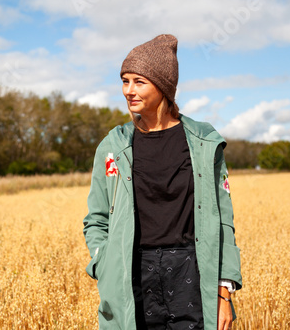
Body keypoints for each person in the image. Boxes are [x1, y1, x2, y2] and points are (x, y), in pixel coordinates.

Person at [83, 34, 242, 330]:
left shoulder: (204, 143)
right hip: (132, 278)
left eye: (139, 82)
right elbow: (96, 219)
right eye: (124, 81)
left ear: (164, 86)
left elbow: (223, 221)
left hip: (192, 276)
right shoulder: (113, 147)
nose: (128, 91)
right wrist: (103, 262)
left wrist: (223, 291)